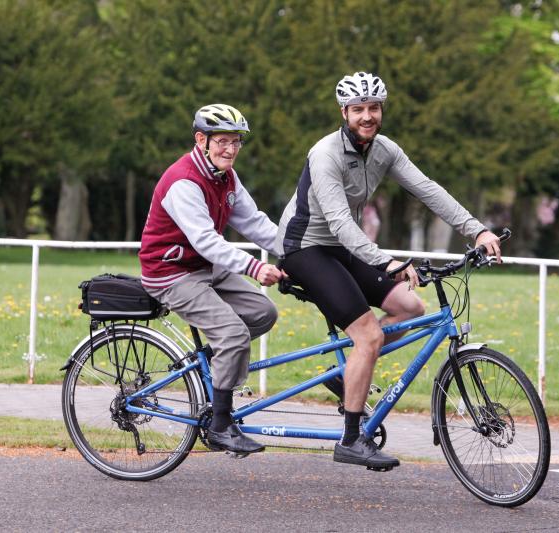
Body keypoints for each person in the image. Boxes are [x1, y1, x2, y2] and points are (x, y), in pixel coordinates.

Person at [275, 72, 502, 470]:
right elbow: (340, 222)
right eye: (358, 109)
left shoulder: (384, 150)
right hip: (305, 248)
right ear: (344, 112)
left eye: (374, 108)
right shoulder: (325, 153)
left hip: (346, 247)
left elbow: (428, 189)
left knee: (411, 307)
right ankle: (350, 440)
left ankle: (345, 378)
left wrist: (477, 229)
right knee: (368, 334)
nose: (367, 116)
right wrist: (385, 260)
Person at [140, 104, 283, 455]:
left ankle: (218, 361)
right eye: (223, 141)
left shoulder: (226, 177)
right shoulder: (183, 181)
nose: (231, 150)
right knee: (233, 333)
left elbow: (256, 223)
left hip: (205, 268)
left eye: (236, 142)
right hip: (171, 273)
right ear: (201, 139)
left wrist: (298, 254)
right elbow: (206, 239)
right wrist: (253, 268)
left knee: (264, 312)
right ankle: (220, 426)